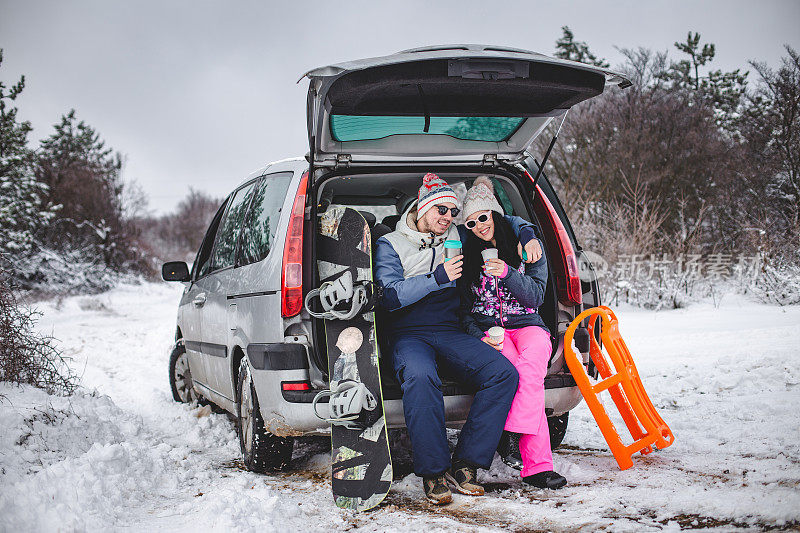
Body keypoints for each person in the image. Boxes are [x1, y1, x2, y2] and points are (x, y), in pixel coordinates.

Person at [374, 172, 540, 504]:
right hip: (409, 333)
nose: (449, 218)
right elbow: (388, 296)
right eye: (442, 211)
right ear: (424, 208)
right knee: (421, 377)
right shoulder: (390, 244)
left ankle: (467, 463)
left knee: (503, 373)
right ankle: (433, 472)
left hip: (449, 329)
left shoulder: (457, 235)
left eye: (453, 212)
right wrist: (437, 277)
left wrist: (527, 232)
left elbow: (496, 220)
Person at [458, 176, 568, 490]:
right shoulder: (467, 258)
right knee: (514, 374)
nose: (479, 225)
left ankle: (512, 433)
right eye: (471, 222)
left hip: (529, 326)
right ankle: (538, 467)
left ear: (495, 214)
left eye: (483, 217)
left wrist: (507, 272)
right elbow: (464, 311)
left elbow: (535, 297)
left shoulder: (527, 248)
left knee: (530, 371)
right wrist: (479, 337)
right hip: (491, 332)